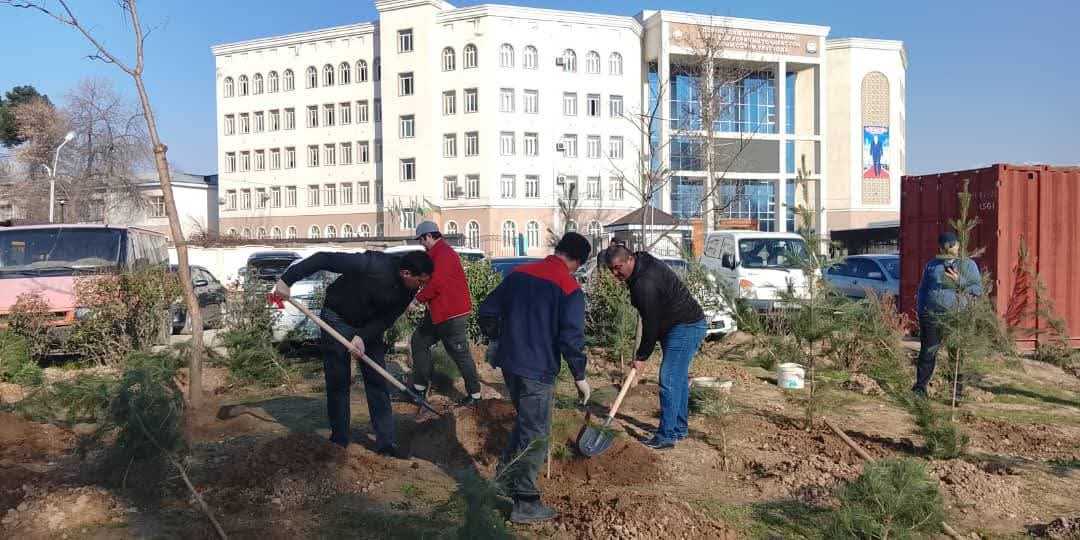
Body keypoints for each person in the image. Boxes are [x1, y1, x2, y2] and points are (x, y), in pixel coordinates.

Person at [273, 250, 434, 457]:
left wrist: (362, 337)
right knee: (338, 379)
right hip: (337, 317)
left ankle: (386, 442)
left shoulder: (408, 290)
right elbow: (324, 258)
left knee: (376, 379)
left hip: (368, 325)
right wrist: (287, 280)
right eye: (420, 281)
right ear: (406, 273)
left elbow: (387, 319)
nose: (422, 287)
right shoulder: (372, 264)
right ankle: (339, 440)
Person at [478, 232, 592, 524]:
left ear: (559, 249)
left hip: (510, 364)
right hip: (537, 369)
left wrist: (496, 339)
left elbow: (487, 310)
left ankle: (504, 480)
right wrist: (580, 375)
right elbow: (571, 336)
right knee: (537, 436)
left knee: (526, 425)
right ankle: (526, 503)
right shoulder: (569, 287)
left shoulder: (520, 273)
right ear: (578, 262)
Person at [603, 245, 705, 450]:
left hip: (685, 325)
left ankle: (666, 436)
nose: (615, 273)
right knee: (677, 378)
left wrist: (641, 357)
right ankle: (678, 428)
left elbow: (651, 324)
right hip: (674, 325)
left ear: (630, 260)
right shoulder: (641, 264)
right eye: (611, 269)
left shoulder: (645, 283)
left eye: (618, 267)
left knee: (668, 378)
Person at [409, 221, 483, 406]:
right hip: (439, 313)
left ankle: (475, 396)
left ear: (428, 236)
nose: (421, 244)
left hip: (452, 315)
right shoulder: (435, 254)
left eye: (421, 240)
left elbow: (437, 283)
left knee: (459, 353)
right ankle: (418, 389)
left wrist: (418, 300)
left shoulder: (444, 254)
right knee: (419, 341)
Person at [913, 231, 983, 397]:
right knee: (928, 352)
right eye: (948, 246)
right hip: (931, 316)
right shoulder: (932, 265)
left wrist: (959, 281)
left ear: (958, 245)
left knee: (956, 354)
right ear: (941, 247)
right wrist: (921, 309)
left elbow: (977, 290)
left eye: (954, 245)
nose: (953, 248)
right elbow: (923, 289)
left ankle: (956, 393)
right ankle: (920, 389)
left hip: (956, 316)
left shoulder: (968, 265)